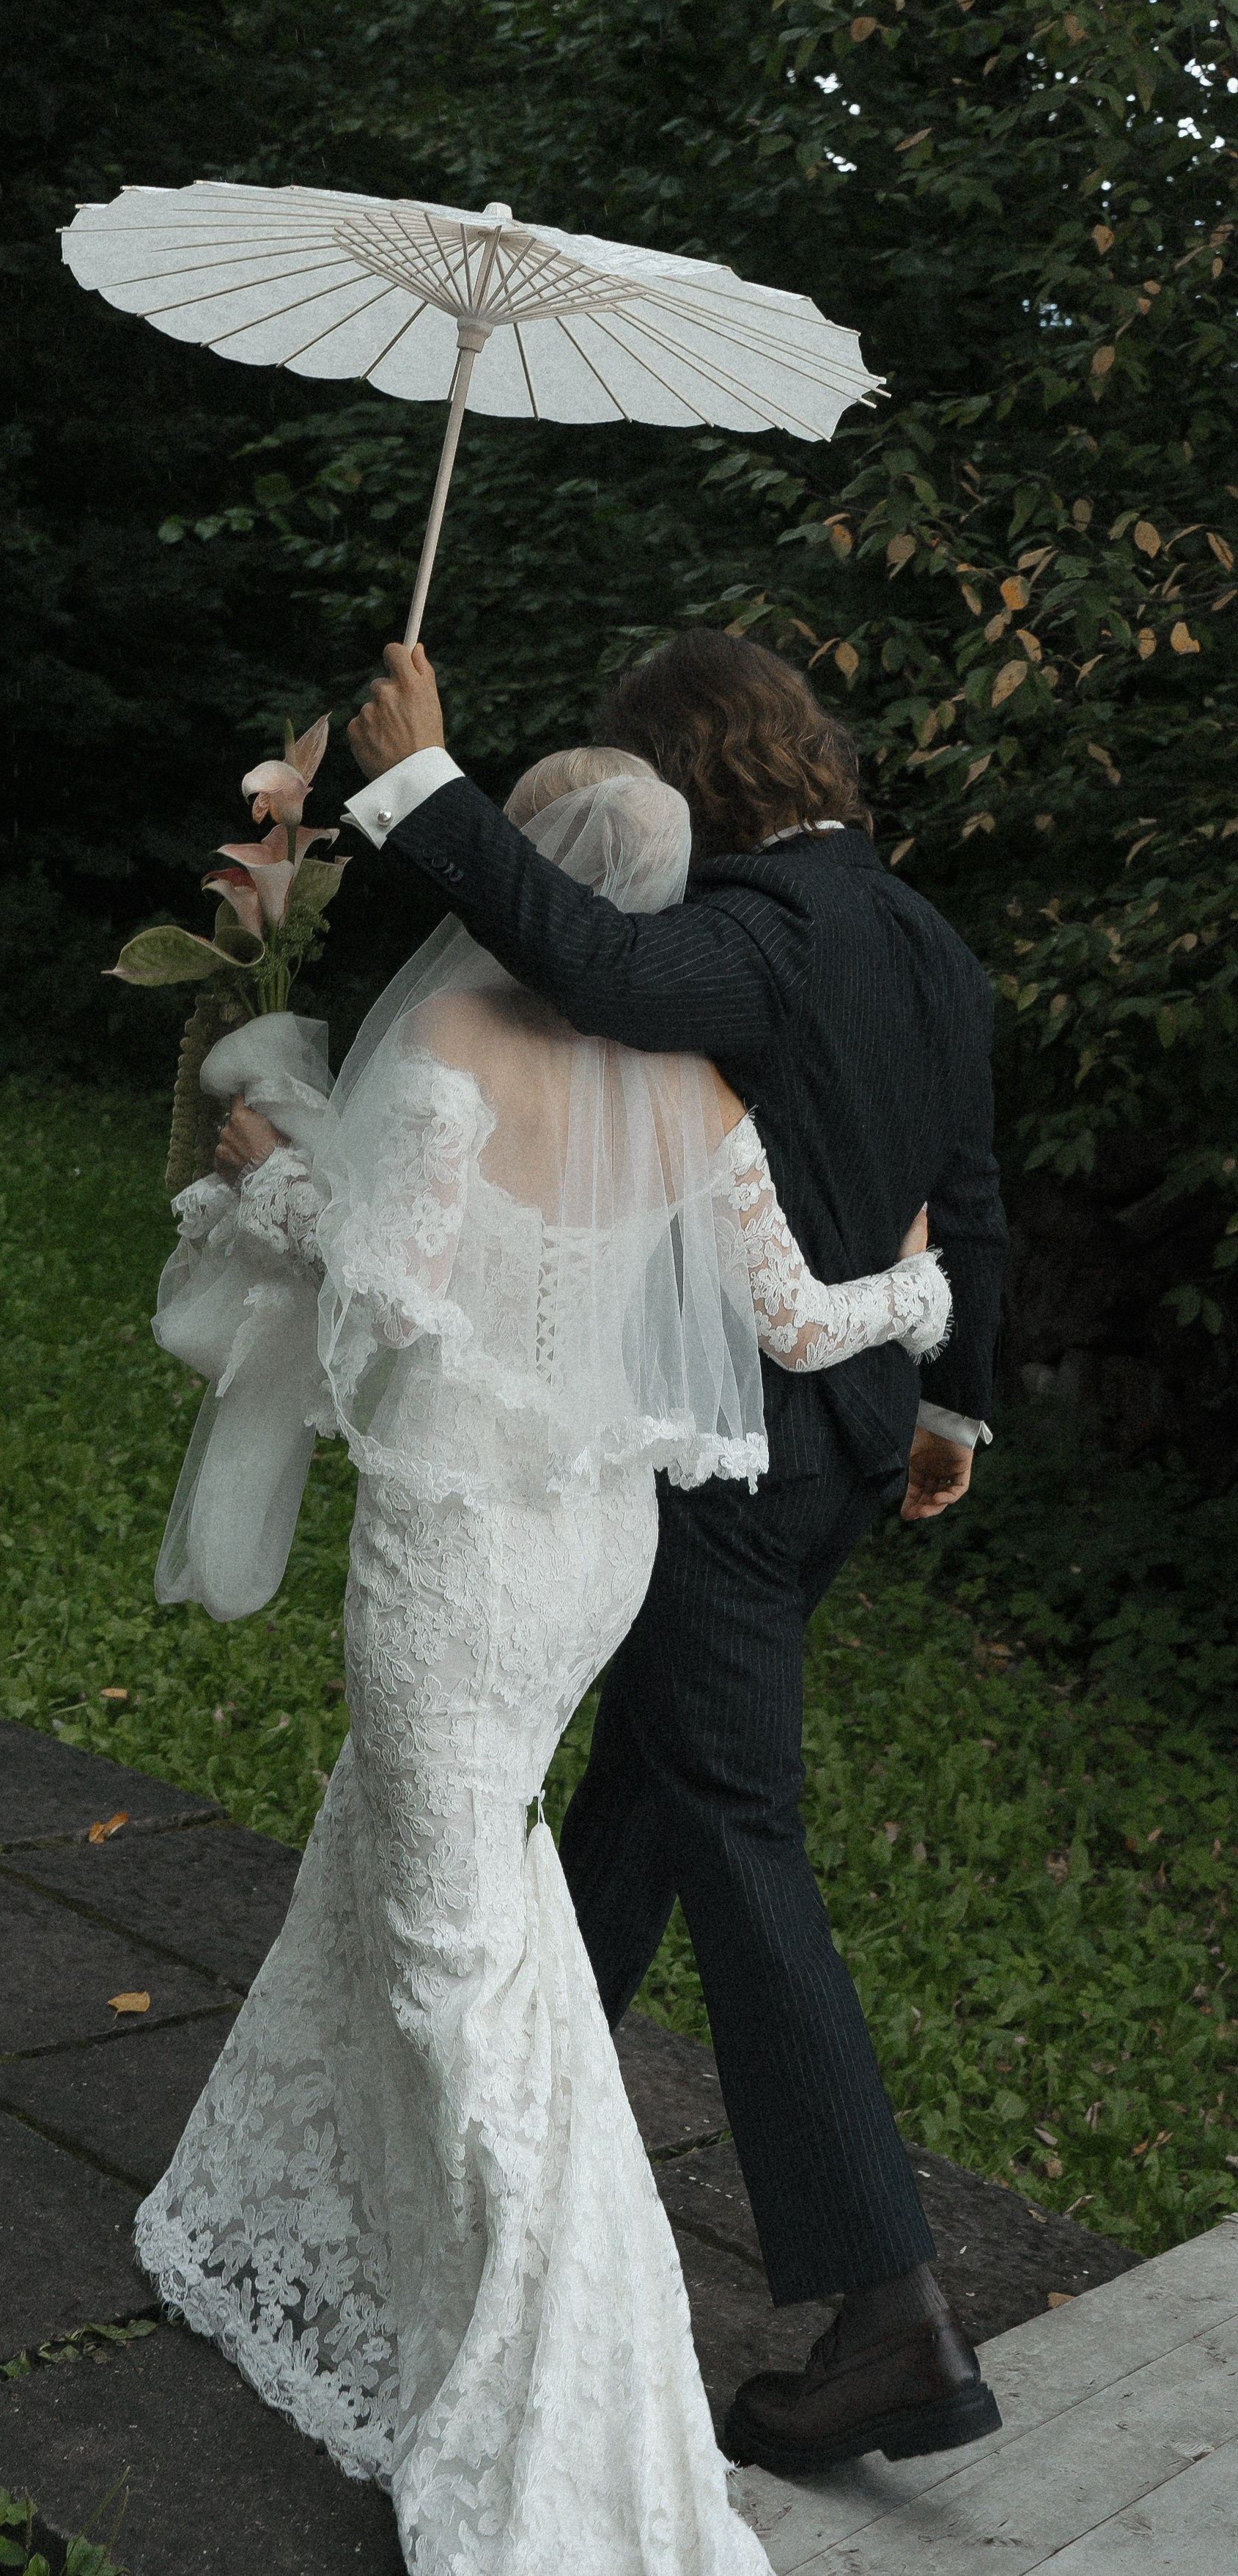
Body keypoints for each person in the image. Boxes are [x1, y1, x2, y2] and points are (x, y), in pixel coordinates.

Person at [136, 750, 953, 2576]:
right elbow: (800, 1318)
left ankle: (559, 2349)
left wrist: (269, 1174)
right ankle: (355, 2230)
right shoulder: (693, 1086)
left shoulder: (447, 1057)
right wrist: (922, 1291)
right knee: (436, 1856)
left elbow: (382, 1290)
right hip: (601, 1551)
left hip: (466, 1552)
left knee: (458, 1951)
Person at [341, 630, 1008, 2481]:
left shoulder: (771, 931)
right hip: (849, 1451)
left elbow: (620, 970)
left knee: (727, 1814)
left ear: (689, 777)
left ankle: (890, 2314)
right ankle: (502, 2182)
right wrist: (953, 1408)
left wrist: (419, 784)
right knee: (635, 1813)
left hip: (723, 1465)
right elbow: (974, 1179)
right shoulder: (921, 933)